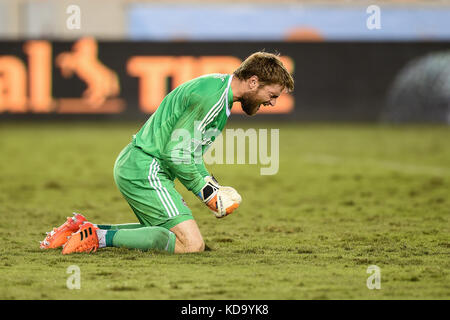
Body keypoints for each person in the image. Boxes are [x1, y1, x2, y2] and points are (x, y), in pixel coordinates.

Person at [40, 52, 294, 254]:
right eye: (271, 95)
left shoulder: (218, 91)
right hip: (146, 169)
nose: (272, 102)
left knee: (167, 237)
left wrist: (212, 185)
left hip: (141, 165)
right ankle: (97, 236)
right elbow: (175, 154)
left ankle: (79, 229)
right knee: (192, 245)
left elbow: (190, 152)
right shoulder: (213, 100)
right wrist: (208, 194)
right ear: (253, 82)